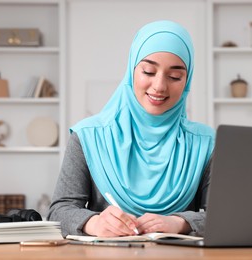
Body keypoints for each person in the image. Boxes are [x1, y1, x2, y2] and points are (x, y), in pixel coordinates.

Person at [48, 20, 215, 238]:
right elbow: (58, 212)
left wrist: (179, 223)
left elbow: (226, 216)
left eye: (175, 76)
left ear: (187, 81)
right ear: (131, 71)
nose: (159, 86)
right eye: (148, 71)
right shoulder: (88, 136)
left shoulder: (206, 142)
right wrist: (94, 223)